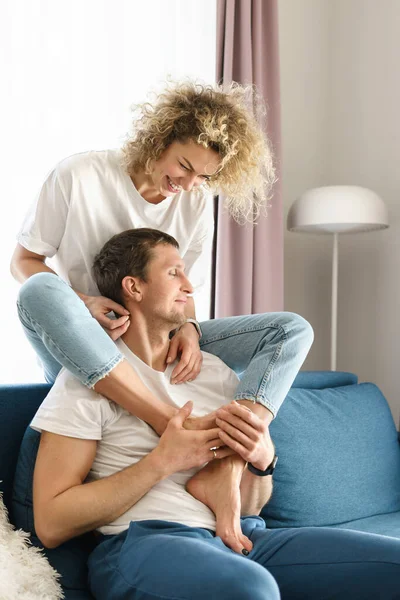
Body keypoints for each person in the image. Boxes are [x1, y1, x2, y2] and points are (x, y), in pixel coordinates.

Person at [10, 80, 313, 549]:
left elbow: (181, 287)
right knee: (38, 290)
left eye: (205, 178)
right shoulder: (79, 175)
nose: (190, 185)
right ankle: (166, 417)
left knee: (290, 329)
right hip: (84, 342)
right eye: (185, 166)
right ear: (158, 138)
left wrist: (190, 325)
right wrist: (84, 303)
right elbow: (22, 261)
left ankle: (229, 462)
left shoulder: (194, 200)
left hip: (155, 334)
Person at [31, 229, 400, 600]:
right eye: (174, 273)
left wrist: (260, 461)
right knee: (250, 589)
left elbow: (250, 504)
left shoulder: (216, 372)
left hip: (242, 536)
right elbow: (51, 523)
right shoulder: (89, 381)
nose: (189, 286)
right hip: (146, 544)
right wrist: (162, 461)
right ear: (134, 287)